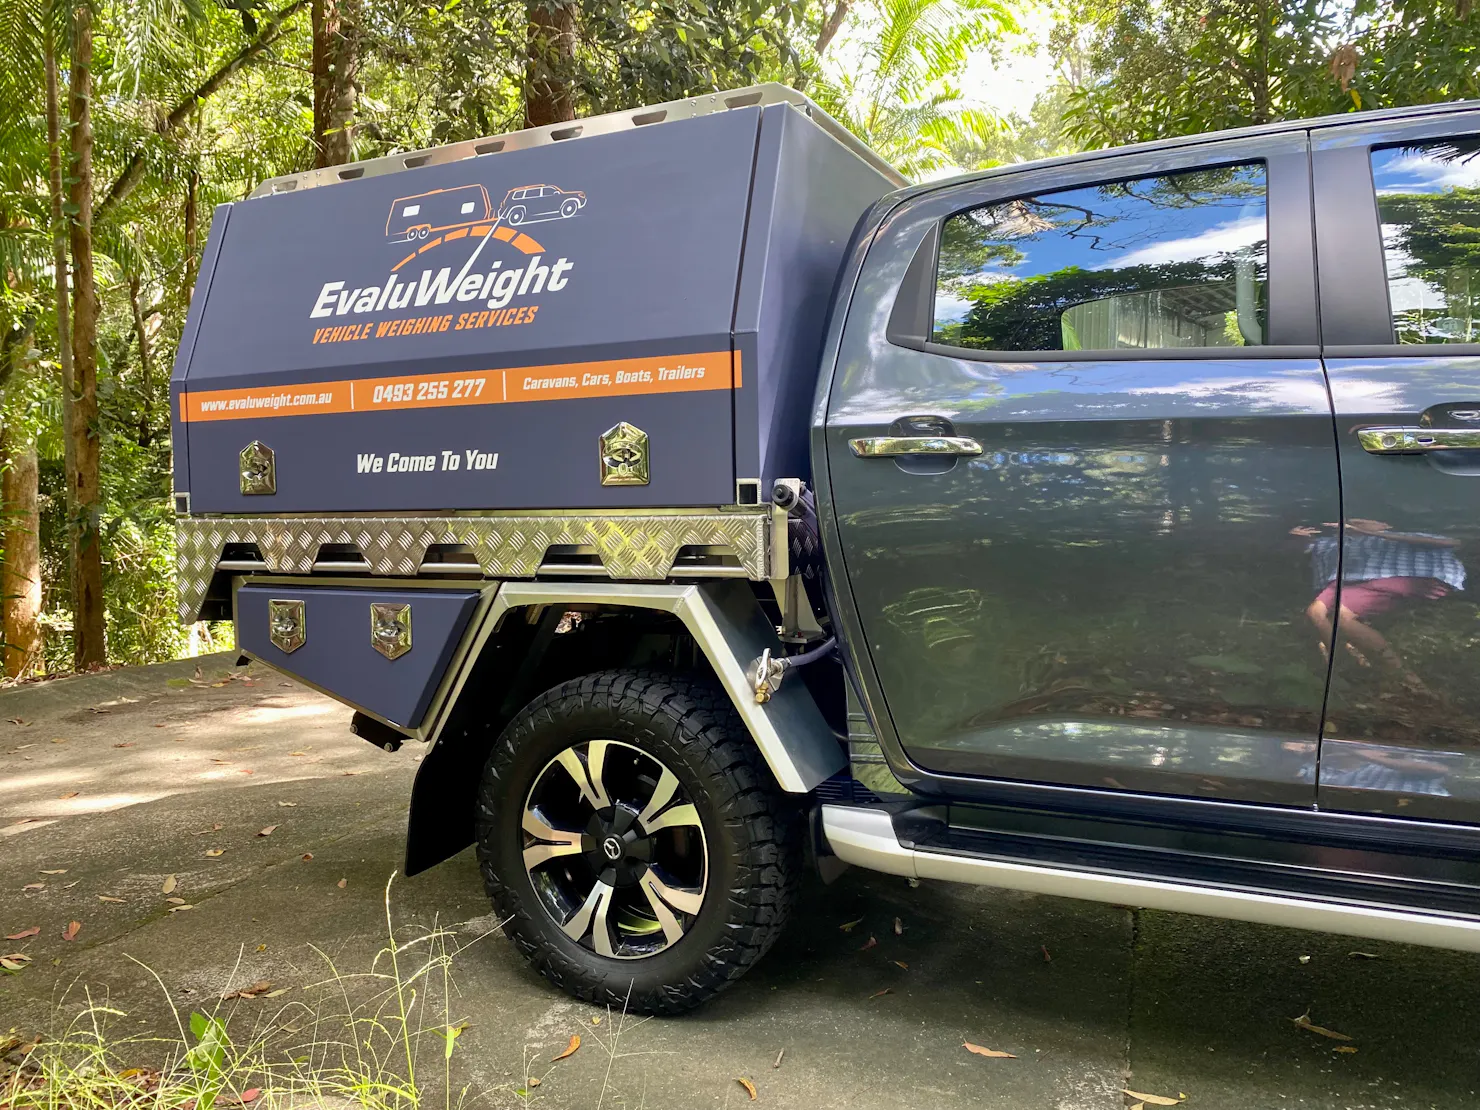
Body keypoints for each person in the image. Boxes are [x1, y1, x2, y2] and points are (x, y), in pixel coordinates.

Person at [1291, 518, 1464, 687]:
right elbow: (1295, 549)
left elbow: (1452, 542)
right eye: (1348, 522)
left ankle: (1404, 677)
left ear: (1383, 523)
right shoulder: (1334, 543)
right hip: (1350, 582)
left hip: (1408, 578)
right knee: (1316, 612)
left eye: (1358, 521)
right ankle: (1345, 663)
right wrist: (1298, 537)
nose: (1350, 525)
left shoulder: (1399, 536)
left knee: (1341, 615)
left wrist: (1372, 533)